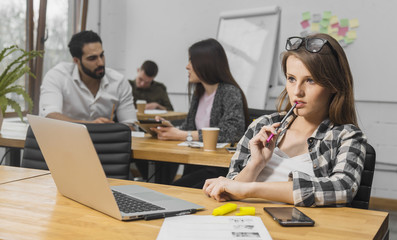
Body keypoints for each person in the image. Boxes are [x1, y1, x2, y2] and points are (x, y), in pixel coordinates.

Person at [203, 33, 367, 207]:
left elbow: (342, 188)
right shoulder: (262, 124)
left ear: (333, 85)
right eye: (291, 79)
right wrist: (256, 164)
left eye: (310, 80)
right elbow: (230, 189)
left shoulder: (346, 136)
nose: (297, 91)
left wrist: (251, 189)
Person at [152, 38, 249, 188]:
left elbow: (233, 131)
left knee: (174, 189)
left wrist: (182, 134)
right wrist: (169, 128)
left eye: (191, 61)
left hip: (217, 170)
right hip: (195, 164)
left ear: (205, 63)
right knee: (168, 185)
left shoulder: (229, 91)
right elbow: (190, 126)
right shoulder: (199, 93)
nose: (187, 66)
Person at [39, 30, 136, 125]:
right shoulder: (57, 76)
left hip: (106, 140)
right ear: (76, 61)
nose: (100, 63)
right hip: (65, 139)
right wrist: (91, 125)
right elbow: (49, 117)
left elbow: (131, 125)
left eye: (101, 55)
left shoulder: (118, 81)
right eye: (92, 58)